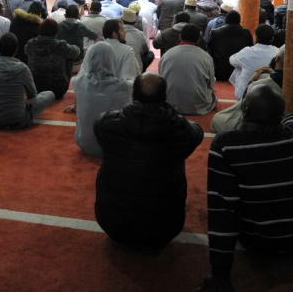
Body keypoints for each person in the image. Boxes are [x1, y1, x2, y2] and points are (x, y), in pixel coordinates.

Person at [201, 83, 293, 291]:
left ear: (245, 110)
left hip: (257, 241)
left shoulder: (226, 145)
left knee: (227, 194)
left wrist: (220, 275)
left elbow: (222, 211)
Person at [93, 72, 203, 248]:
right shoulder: (182, 130)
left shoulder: (106, 123)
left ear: (133, 94)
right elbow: (197, 131)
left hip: (111, 224)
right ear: (165, 96)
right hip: (165, 229)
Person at [0, 33, 55, 129]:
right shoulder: (23, 68)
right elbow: (32, 95)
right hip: (18, 120)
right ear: (16, 50)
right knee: (50, 95)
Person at [72, 43, 133, 157]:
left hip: (85, 145)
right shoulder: (126, 86)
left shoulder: (77, 82)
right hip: (114, 148)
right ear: (112, 60)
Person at [159, 24, 217, 115]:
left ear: (180, 36)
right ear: (198, 39)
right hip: (198, 105)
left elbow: (161, 78)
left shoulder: (167, 54)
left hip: (170, 104)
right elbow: (210, 83)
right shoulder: (206, 56)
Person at [25, 18, 80, 99]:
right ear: (56, 31)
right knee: (69, 57)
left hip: (35, 88)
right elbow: (77, 51)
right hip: (58, 90)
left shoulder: (30, 44)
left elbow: (26, 51)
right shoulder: (61, 46)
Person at [229, 24, 279, 100]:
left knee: (238, 67)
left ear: (255, 37)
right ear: (272, 38)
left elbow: (231, 61)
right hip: (271, 97)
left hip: (245, 95)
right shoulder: (277, 52)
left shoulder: (247, 52)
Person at [207, 11, 254, 81]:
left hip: (219, 73)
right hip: (240, 73)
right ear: (239, 21)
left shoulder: (215, 32)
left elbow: (209, 52)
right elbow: (250, 52)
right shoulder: (246, 33)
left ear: (226, 20)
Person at [57, 4, 98, 74]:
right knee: (89, 39)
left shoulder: (59, 26)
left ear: (65, 15)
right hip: (78, 61)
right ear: (78, 16)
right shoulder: (81, 26)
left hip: (63, 61)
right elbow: (94, 35)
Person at [9, 0, 44, 64]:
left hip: (14, 55)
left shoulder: (16, 20)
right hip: (29, 59)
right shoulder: (39, 26)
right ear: (39, 14)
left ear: (28, 10)